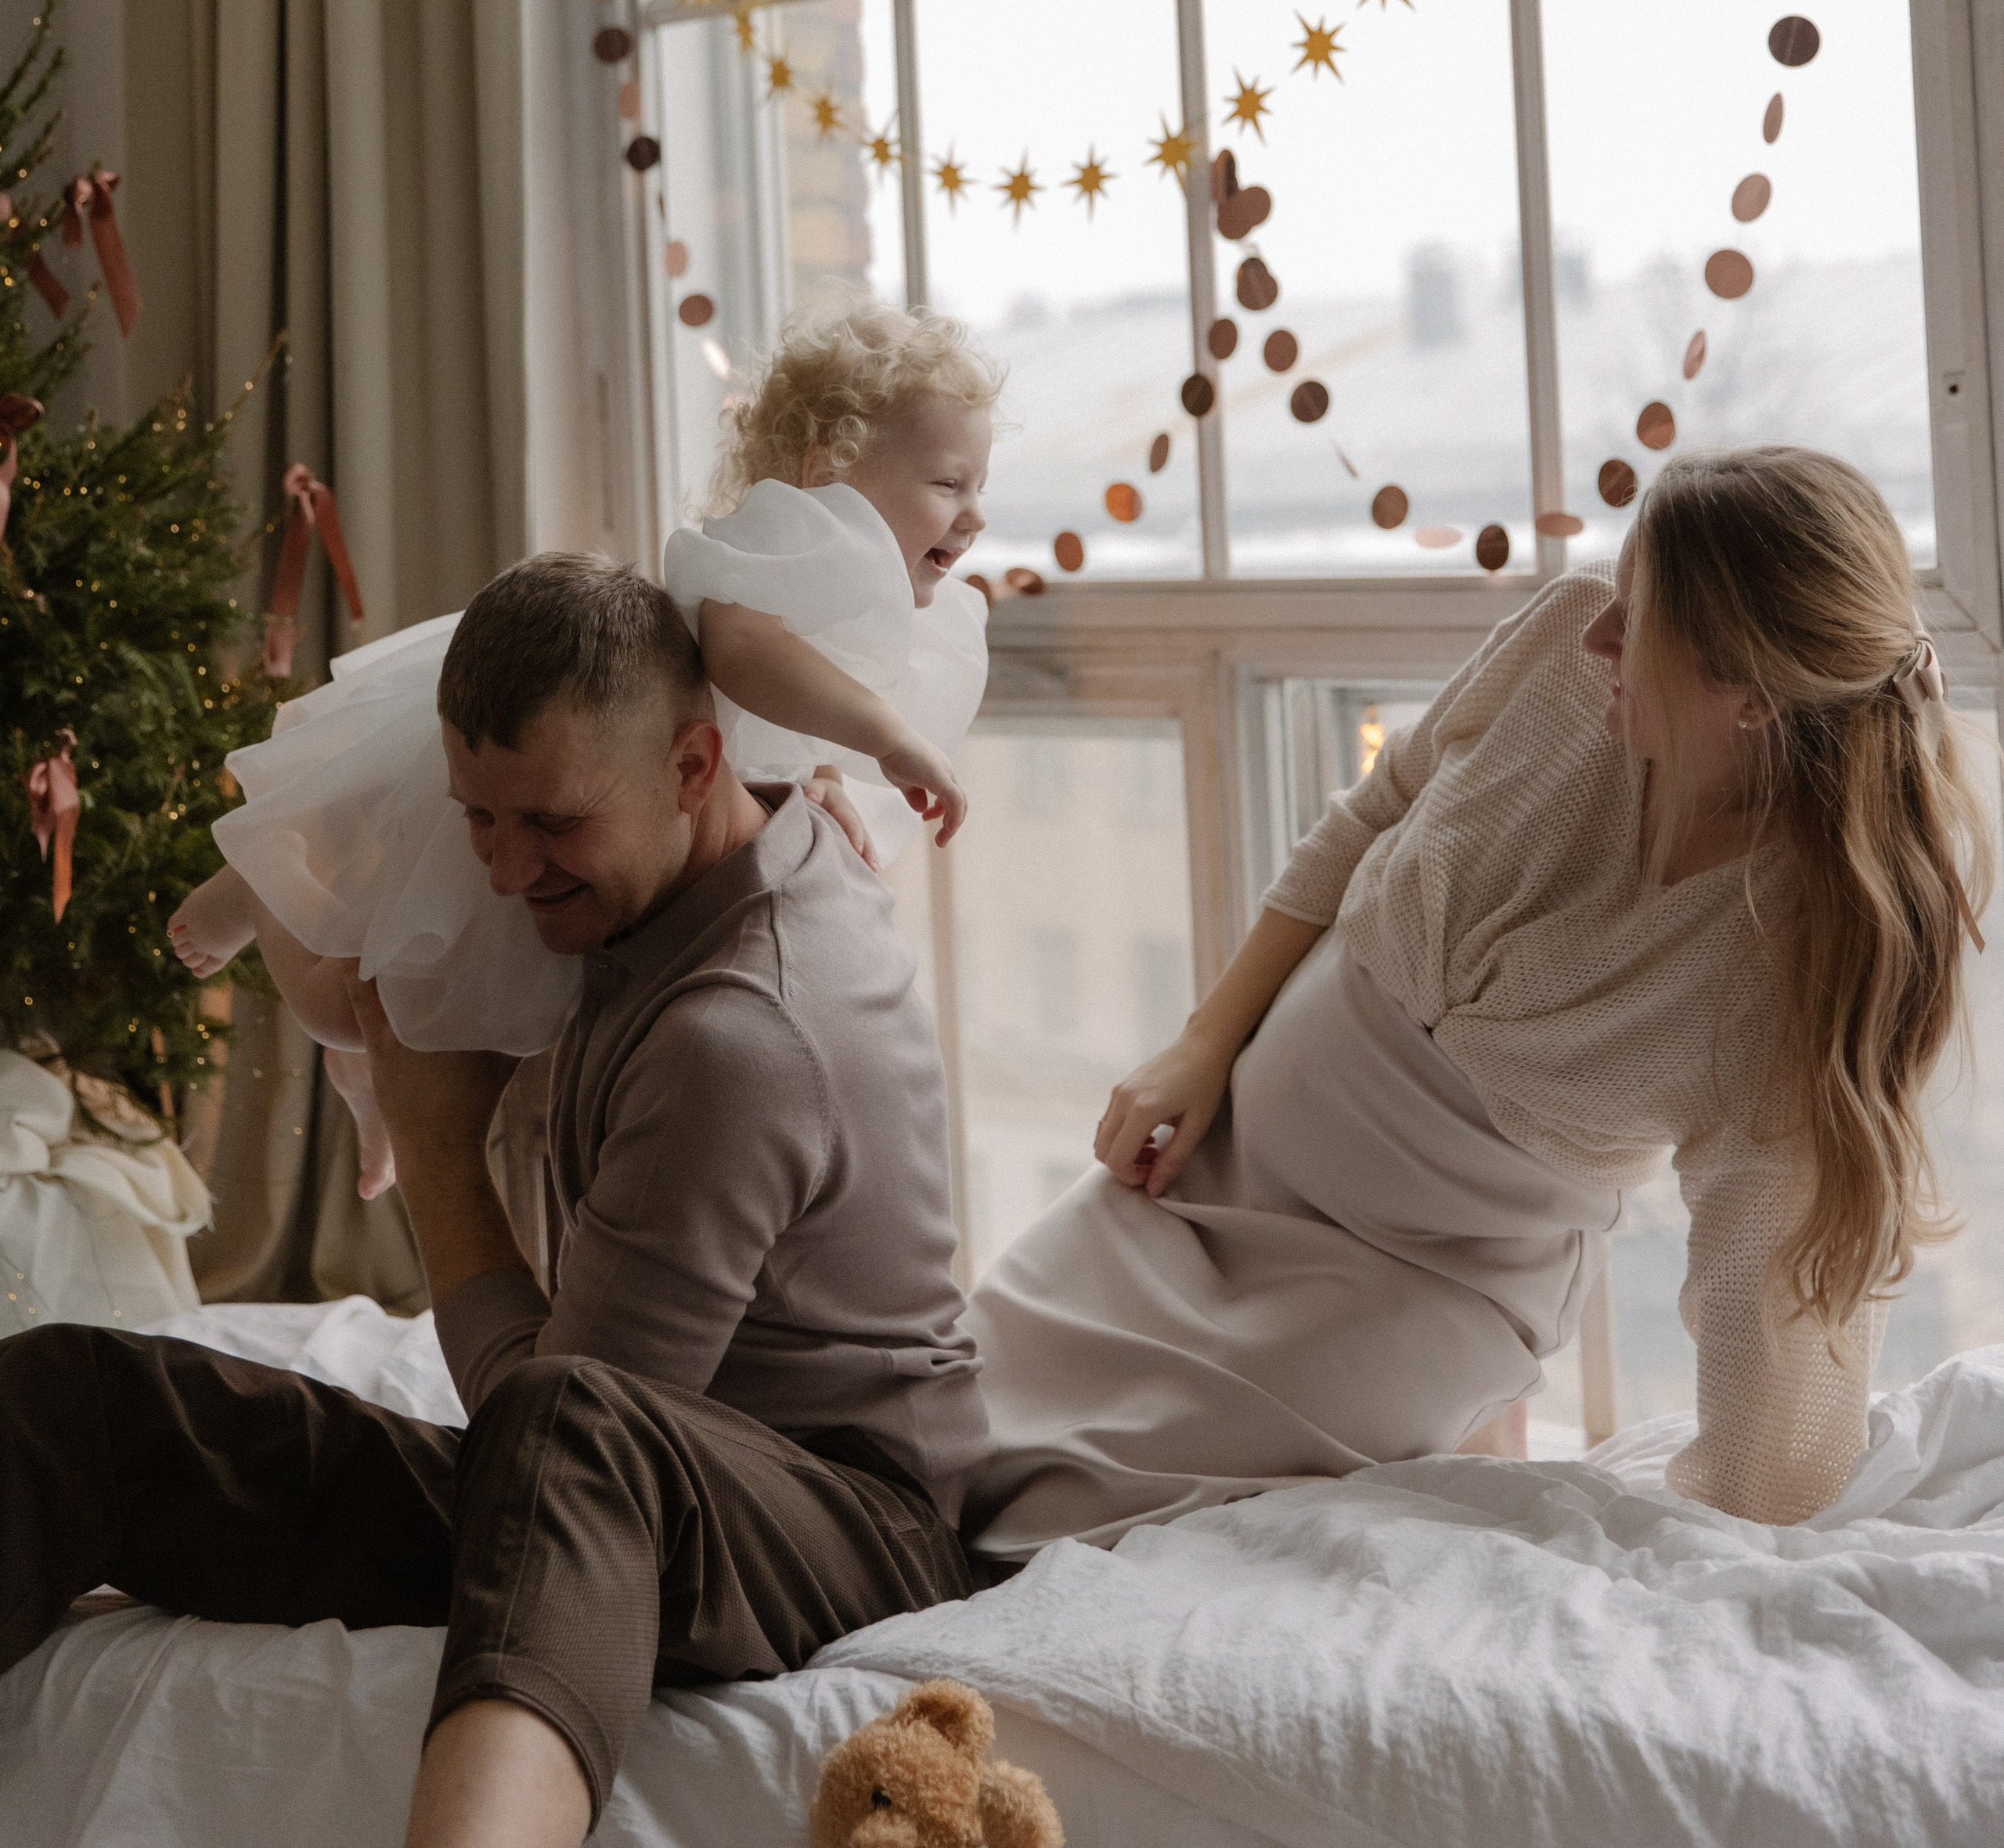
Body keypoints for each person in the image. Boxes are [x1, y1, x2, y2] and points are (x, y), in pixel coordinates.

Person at [0, 553, 987, 1848]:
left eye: (555, 827)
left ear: (695, 766)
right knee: (76, 1403)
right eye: (481, 818)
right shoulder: (705, 839)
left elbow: (549, 1422)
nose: (508, 874)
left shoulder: (737, 1041)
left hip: (847, 1524)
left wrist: (437, 1146)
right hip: (640, 1482)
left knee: (570, 1419)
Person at [965, 446, 1994, 1554]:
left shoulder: (1790, 961)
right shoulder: (1569, 641)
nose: (1599, 627)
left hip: (1405, 1289)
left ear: (1747, 694)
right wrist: (1204, 1041)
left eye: (1639, 621)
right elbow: (1374, 811)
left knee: (1057, 1524)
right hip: (1219, 1160)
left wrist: (1715, 1534)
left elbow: (1772, 1318)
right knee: (955, 1406)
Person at [167, 304, 1000, 1189]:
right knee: (356, 1009)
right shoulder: (787, 535)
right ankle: (264, 881)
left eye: (979, 487)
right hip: (579, 771)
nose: (975, 516)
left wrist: (824, 777)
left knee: (434, 1025)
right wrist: (890, 739)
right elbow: (747, 659)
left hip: (625, 818)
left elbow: (780, 720)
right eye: (949, 486)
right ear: (826, 471)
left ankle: (370, 1091)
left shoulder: (846, 597)